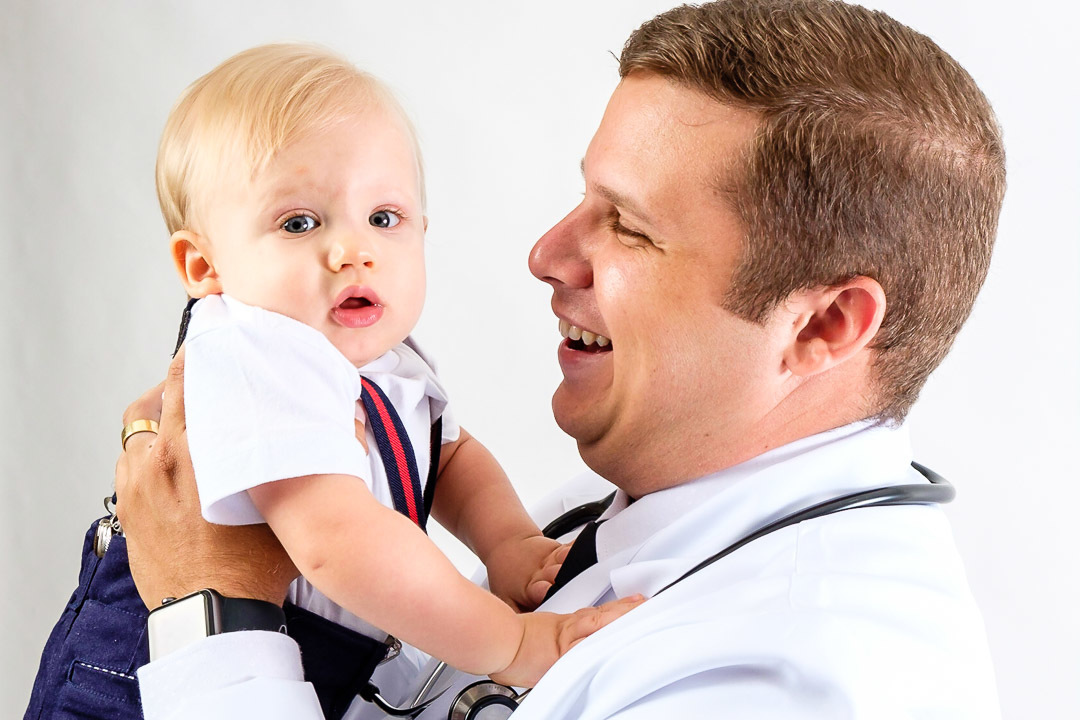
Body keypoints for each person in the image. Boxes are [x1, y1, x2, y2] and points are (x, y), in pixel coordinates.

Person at [115, 0, 1005, 717]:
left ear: (824, 324)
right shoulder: (620, 510)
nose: (545, 254)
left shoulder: (786, 685)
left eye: (630, 227)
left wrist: (209, 612)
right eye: (584, 197)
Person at [26, 43, 642, 720]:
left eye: (383, 218)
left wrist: (509, 545)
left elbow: (447, 455)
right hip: (132, 683)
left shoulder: (383, 357)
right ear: (204, 266)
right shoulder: (258, 353)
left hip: (290, 658)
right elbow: (338, 542)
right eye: (299, 223)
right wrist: (514, 643)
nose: (355, 250)